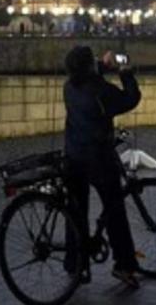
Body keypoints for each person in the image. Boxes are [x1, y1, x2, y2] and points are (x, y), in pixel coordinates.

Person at [63, 45, 142, 289]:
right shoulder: (101, 91)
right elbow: (130, 98)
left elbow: (85, 77)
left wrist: (101, 66)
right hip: (99, 158)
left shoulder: (69, 87)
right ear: (89, 65)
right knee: (115, 210)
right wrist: (125, 72)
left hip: (73, 156)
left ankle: (76, 264)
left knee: (75, 212)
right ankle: (124, 266)